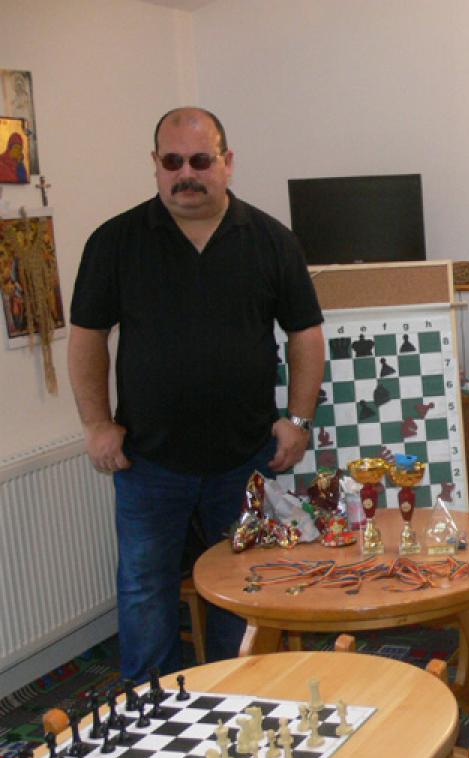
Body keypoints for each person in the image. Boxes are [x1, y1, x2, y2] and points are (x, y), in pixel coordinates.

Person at [67, 107, 325, 681]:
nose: (186, 173)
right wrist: (97, 423)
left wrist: (299, 420)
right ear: (155, 165)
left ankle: (236, 695)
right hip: (148, 460)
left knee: (243, 585)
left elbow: (305, 335)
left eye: (201, 160)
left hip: (245, 456)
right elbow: (86, 336)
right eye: (173, 161)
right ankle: (149, 709)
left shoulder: (272, 241)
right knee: (144, 589)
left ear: (227, 163)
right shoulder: (114, 242)